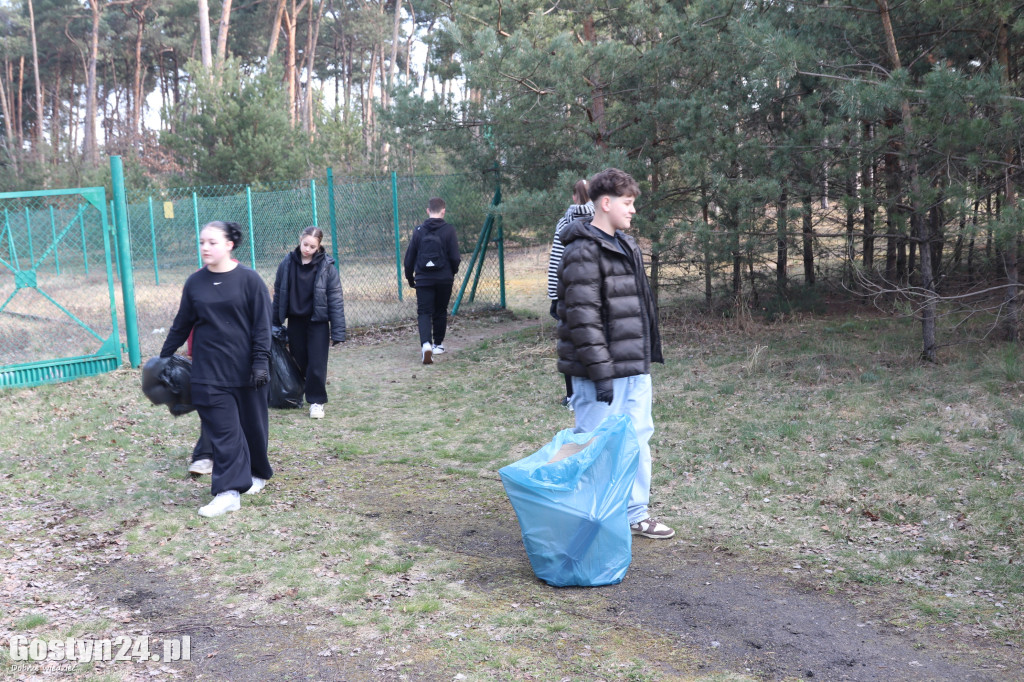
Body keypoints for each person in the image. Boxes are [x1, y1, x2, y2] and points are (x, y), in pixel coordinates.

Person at [555, 168, 674, 540]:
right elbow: (582, 318)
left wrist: (644, 360)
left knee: (637, 440)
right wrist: (601, 374)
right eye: (627, 203)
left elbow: (639, 309)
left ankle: (635, 513)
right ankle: (587, 519)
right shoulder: (581, 250)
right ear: (605, 203)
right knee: (592, 445)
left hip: (634, 369)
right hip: (597, 376)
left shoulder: (627, 245)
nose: (633, 210)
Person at [159, 220, 273, 518]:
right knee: (224, 434)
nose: (205, 248)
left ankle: (257, 473)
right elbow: (182, 323)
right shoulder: (195, 282)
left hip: (247, 370)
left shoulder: (249, 280)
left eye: (212, 242)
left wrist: (261, 362)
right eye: (201, 242)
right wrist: (163, 357)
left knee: (253, 428)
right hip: (208, 372)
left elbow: (262, 326)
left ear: (229, 245)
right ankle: (228, 493)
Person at [272, 226, 347, 419]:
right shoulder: (287, 263)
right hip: (295, 320)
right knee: (299, 358)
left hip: (318, 322)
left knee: (317, 363)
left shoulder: (327, 267)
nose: (307, 249)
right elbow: (279, 292)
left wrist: (338, 331)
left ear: (319, 246)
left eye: (312, 246)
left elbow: (335, 298)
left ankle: (316, 402)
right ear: (300, 240)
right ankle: (308, 386)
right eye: (305, 244)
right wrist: (273, 322)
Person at [547, 179, 594, 408]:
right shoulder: (601, 220)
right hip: (593, 291)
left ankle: (572, 396)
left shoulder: (564, 223)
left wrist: (554, 296)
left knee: (569, 345)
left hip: (568, 291)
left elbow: (556, 260)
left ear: (574, 197)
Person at [403, 197, 461, 365]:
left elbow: (409, 260)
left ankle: (426, 345)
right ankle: (438, 344)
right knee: (440, 310)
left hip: (423, 279)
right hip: (444, 278)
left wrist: (410, 278)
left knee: (424, 312)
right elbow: (455, 257)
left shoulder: (418, 231)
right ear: (443, 211)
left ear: (428, 211)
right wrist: (452, 272)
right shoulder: (449, 230)